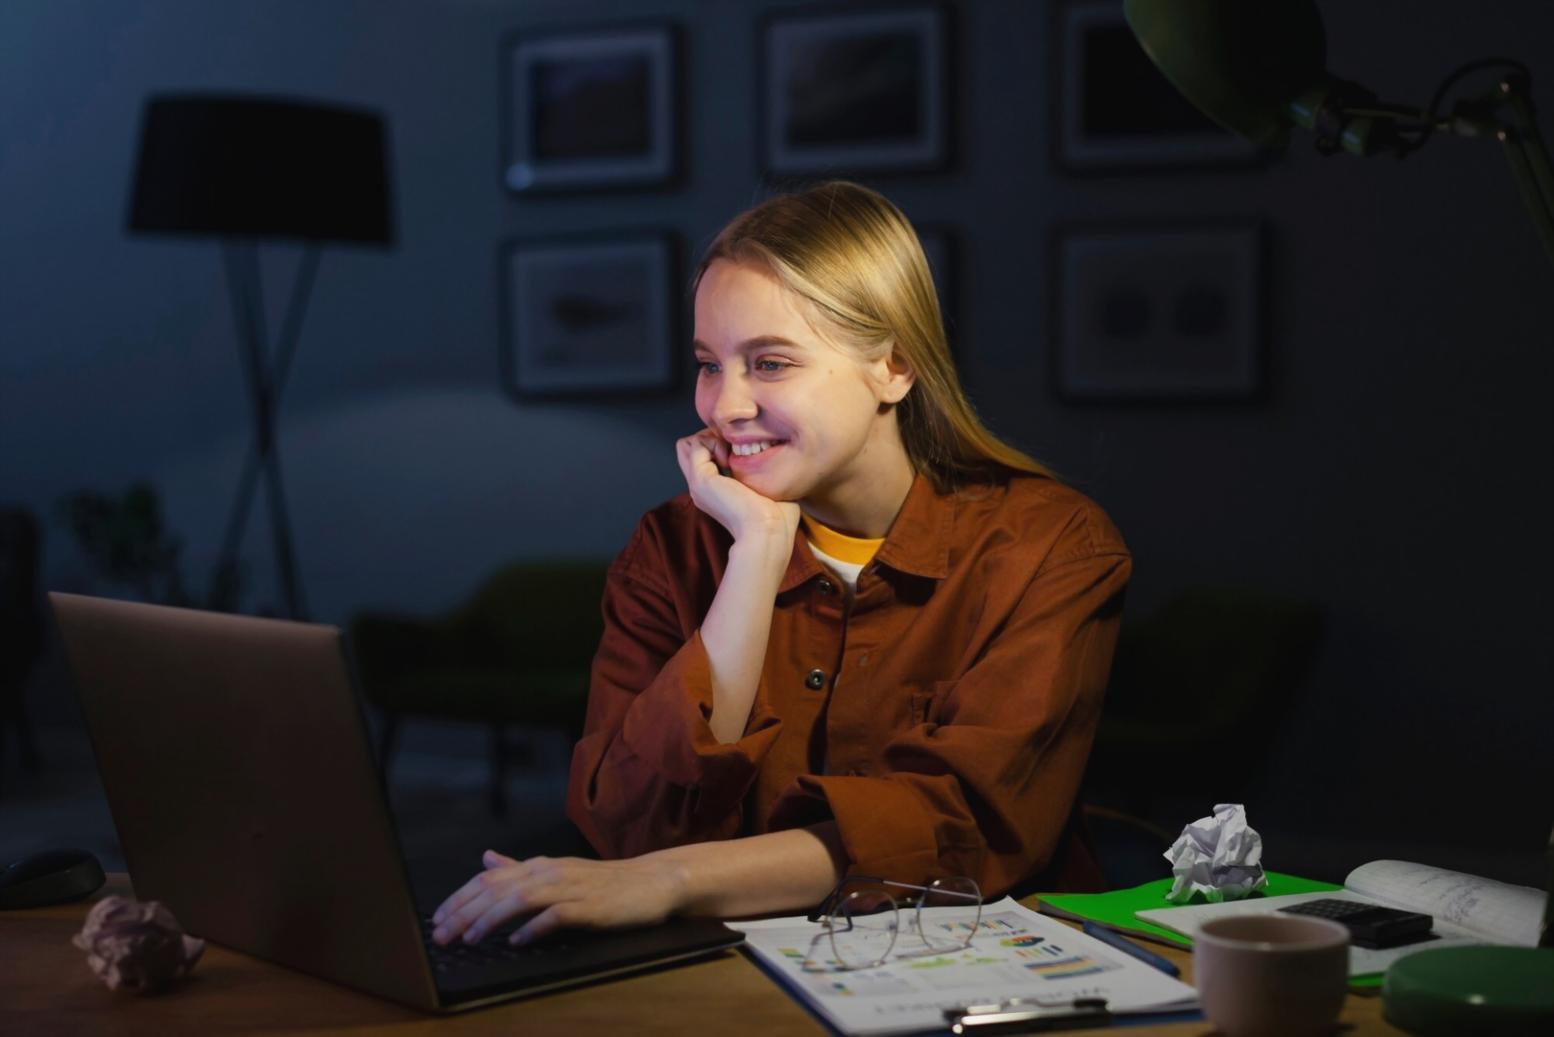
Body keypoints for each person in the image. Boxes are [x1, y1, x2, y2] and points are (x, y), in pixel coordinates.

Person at [432, 181, 1130, 948]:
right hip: (721, 976)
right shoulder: (670, 548)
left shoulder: (1049, 545)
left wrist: (675, 880)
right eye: (708, 363)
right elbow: (631, 827)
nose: (723, 407)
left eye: (768, 363)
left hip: (982, 967)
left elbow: (967, 824)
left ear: (894, 367)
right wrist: (757, 553)